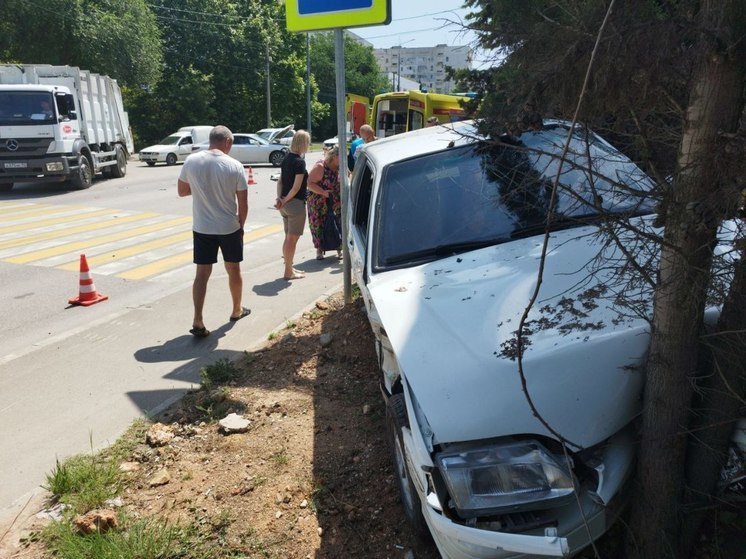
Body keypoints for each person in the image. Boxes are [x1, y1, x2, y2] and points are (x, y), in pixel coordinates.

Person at [177, 125, 250, 337]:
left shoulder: (191, 161)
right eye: (232, 144)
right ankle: (237, 310)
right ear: (227, 141)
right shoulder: (234, 165)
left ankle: (197, 320)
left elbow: (182, 191)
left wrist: (202, 190)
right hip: (229, 228)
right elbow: (243, 203)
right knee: (233, 269)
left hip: (202, 227)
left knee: (202, 274)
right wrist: (241, 227)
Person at [275, 129, 311, 280]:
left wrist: (280, 199)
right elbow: (296, 188)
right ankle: (288, 272)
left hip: (284, 204)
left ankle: (289, 267)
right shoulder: (299, 162)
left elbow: (280, 181)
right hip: (295, 204)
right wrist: (285, 200)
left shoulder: (287, 158)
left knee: (287, 238)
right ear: (304, 143)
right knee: (292, 240)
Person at [306, 145, 341, 260]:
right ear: (334, 156)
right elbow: (310, 183)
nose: (344, 159)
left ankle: (339, 247)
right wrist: (323, 192)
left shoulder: (341, 167)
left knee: (338, 223)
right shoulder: (321, 167)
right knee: (319, 225)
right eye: (342, 156)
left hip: (335, 201)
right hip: (319, 202)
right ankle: (319, 250)